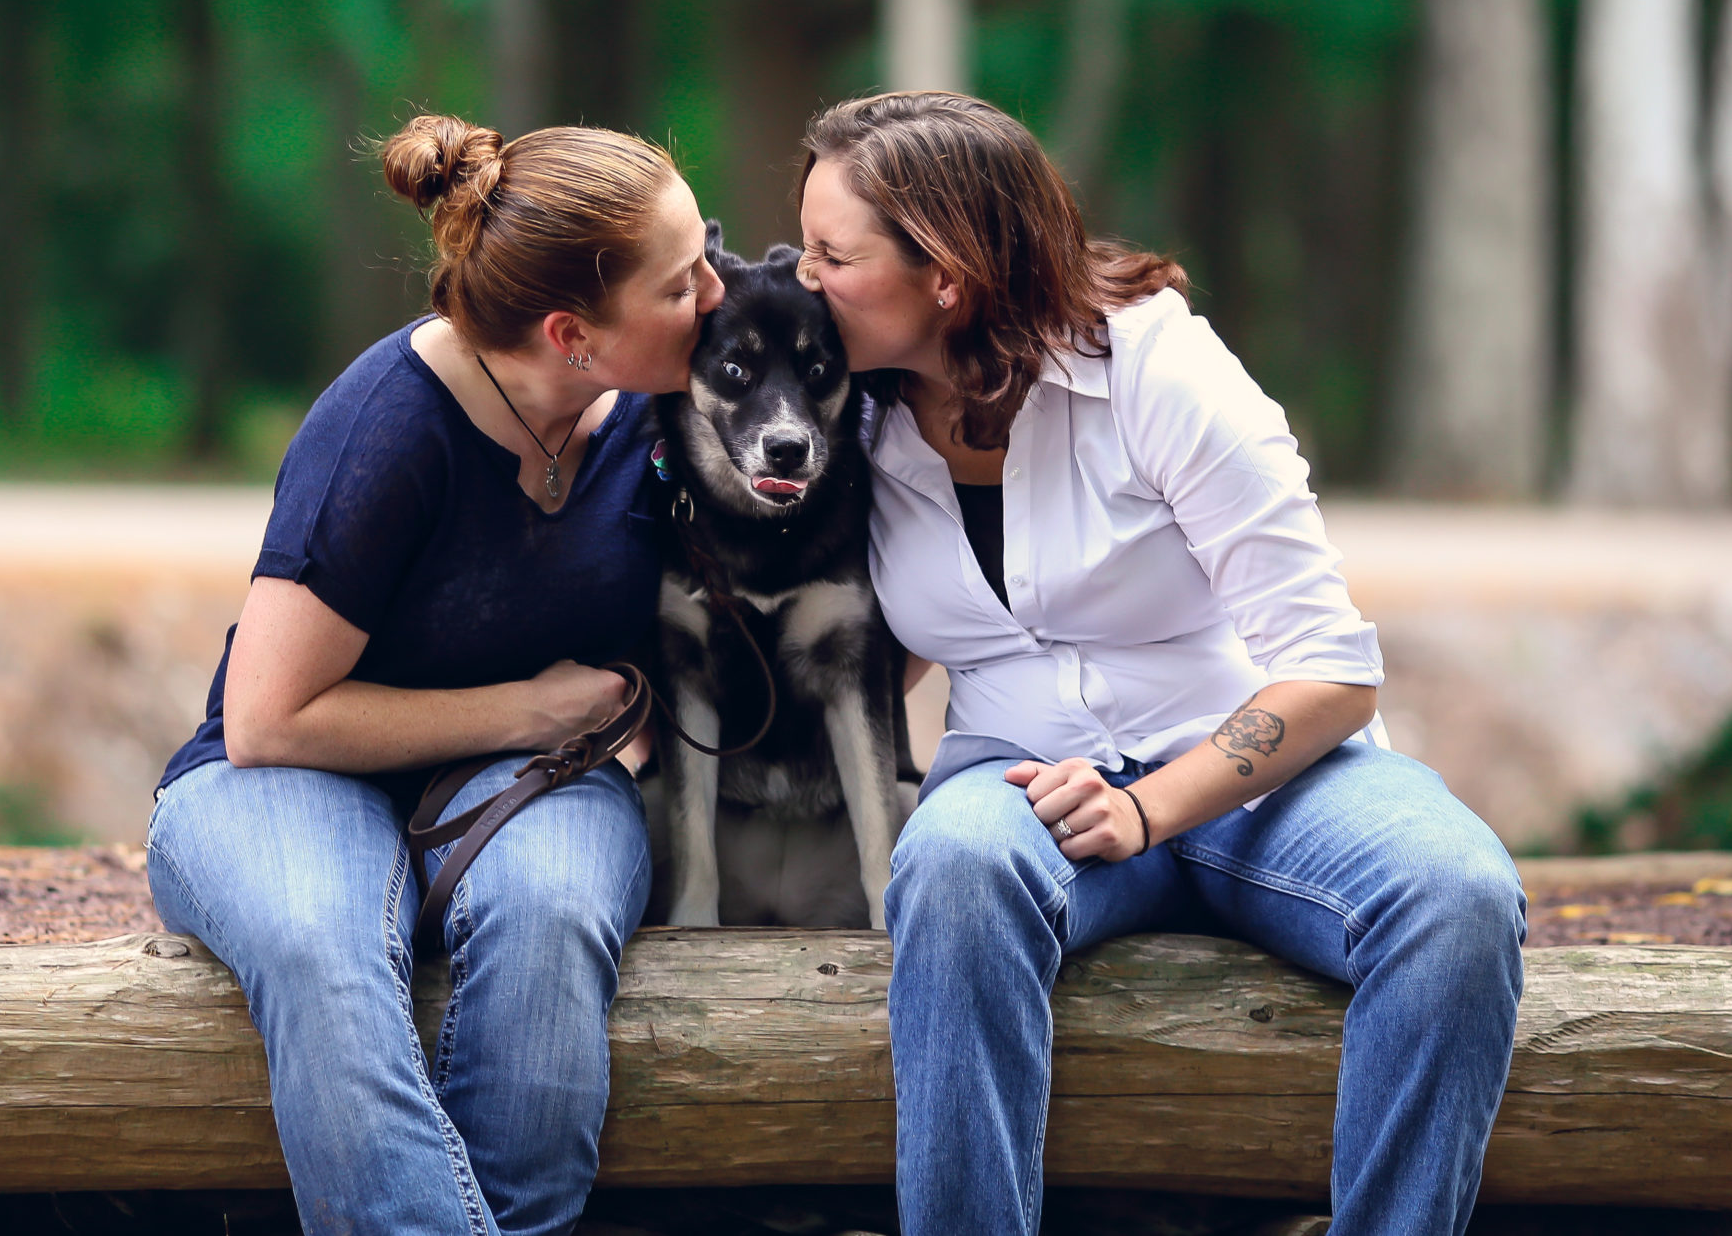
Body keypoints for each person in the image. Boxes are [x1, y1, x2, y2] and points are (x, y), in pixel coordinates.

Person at [793, 91, 1525, 1236]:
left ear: (943, 275)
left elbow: (1331, 669)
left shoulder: (1153, 368)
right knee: (956, 870)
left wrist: (1143, 812)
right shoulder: (841, 411)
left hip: (1262, 771)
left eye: (833, 255)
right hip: (1018, 774)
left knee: (1456, 895)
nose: (804, 278)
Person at [146, 113, 725, 1236]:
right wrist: (531, 708)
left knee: (553, 918)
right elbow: (269, 719)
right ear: (572, 334)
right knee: (323, 947)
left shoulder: (674, 405)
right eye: (679, 281)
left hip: (535, 781)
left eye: (703, 248)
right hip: (281, 778)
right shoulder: (384, 428)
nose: (714, 288)